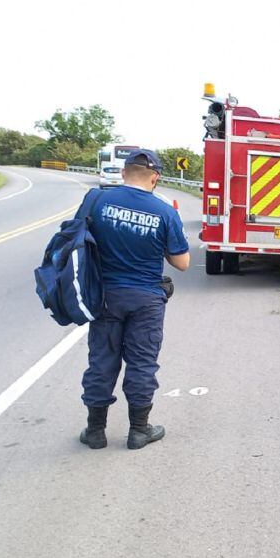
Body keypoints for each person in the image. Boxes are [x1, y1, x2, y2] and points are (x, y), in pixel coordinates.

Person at [77, 149, 191, 450]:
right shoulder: (165, 212)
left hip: (105, 296)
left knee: (101, 361)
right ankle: (139, 431)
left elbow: (76, 241)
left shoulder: (98, 201)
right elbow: (182, 263)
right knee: (142, 363)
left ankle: (95, 431)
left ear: (124, 173)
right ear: (155, 178)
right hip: (146, 300)